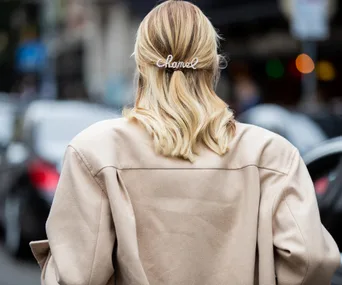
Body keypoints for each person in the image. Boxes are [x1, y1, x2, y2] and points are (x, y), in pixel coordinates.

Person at [30, 1, 340, 284]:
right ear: (214, 65)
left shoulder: (94, 152)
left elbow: (75, 276)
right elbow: (310, 259)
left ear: (141, 66)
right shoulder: (272, 153)